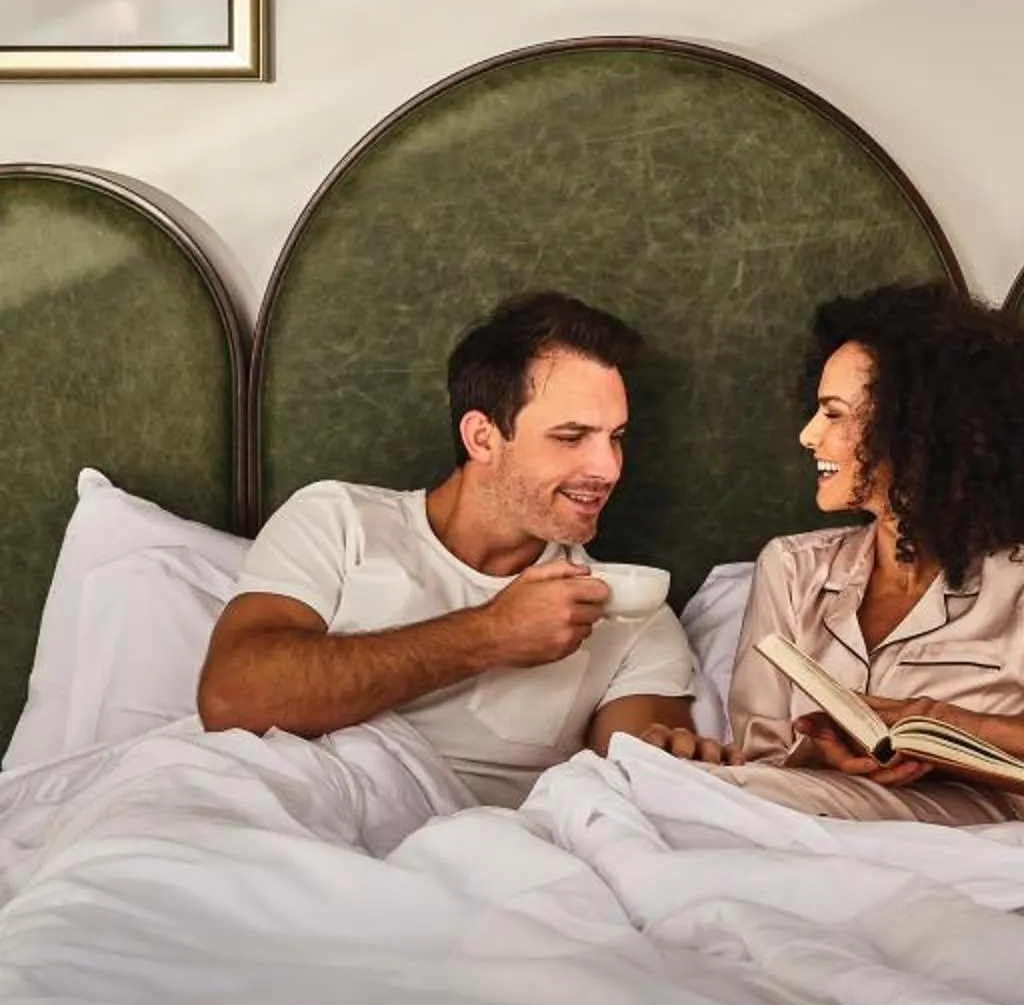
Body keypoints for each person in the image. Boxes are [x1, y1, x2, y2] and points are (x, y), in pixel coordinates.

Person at [663, 283, 1024, 829]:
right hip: (791, 815)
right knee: (654, 788)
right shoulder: (792, 569)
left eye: (834, 414)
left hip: (955, 833)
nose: (808, 435)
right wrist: (831, 752)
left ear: (912, 432)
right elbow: (762, 757)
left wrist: (957, 725)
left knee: (667, 796)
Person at [197, 291, 709, 806]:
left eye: (615, 436)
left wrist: (678, 758)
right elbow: (231, 698)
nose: (608, 469)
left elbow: (644, 771)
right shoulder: (338, 521)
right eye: (572, 437)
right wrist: (489, 634)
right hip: (286, 809)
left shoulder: (632, 612)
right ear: (482, 437)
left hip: (462, 855)